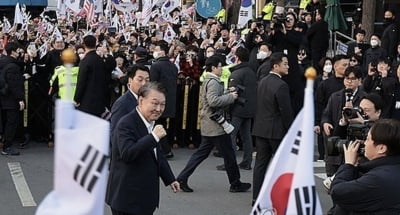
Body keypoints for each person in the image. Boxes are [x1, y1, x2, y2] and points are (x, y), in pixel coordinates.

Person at [176, 56, 251, 193]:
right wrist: (231, 97)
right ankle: (235, 183)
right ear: (213, 68)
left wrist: (227, 93)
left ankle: (182, 178)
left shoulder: (209, 80)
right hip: (216, 125)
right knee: (228, 155)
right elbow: (213, 101)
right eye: (220, 66)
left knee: (203, 154)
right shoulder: (213, 82)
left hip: (211, 123)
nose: (221, 69)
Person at [106, 82, 180, 215]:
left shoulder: (151, 122)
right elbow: (127, 153)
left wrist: (170, 178)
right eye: (154, 103)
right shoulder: (126, 123)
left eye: (162, 104)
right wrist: (153, 137)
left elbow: (157, 154)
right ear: (141, 100)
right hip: (127, 199)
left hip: (144, 198)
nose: (158, 109)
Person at [330, 119, 400, 214]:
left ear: (381, 148)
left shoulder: (377, 179)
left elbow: (338, 192)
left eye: (367, 139)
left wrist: (348, 165)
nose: (364, 143)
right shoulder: (392, 167)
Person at [252, 52, 294, 203]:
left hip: (260, 128)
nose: (288, 66)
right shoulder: (281, 85)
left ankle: (256, 196)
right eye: (285, 64)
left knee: (260, 165)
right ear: (276, 66)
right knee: (281, 166)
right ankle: (279, 197)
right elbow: (286, 111)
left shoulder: (262, 81)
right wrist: (291, 130)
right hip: (276, 131)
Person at [150, 41, 178, 158]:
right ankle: (164, 148)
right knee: (160, 123)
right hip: (170, 100)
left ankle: (165, 150)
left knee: (156, 123)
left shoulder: (156, 66)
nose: (154, 52)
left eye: (156, 49)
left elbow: (152, 84)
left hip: (157, 100)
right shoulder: (173, 66)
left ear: (162, 51)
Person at [110, 65, 150, 137]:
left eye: (147, 80)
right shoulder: (122, 104)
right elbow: (115, 135)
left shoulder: (147, 100)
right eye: (140, 80)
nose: (144, 83)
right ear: (130, 80)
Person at [74, 35, 108, 117]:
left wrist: (76, 99)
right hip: (100, 100)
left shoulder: (85, 61)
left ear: (84, 45)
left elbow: (81, 81)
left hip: (87, 101)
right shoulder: (100, 60)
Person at [0, 42, 24, 156]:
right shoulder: (13, 66)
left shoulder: (3, 62)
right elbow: (14, 84)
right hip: (10, 99)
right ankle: (7, 146)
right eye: (18, 50)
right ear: (13, 52)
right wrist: (20, 99)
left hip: (3, 96)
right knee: (11, 122)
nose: (19, 52)